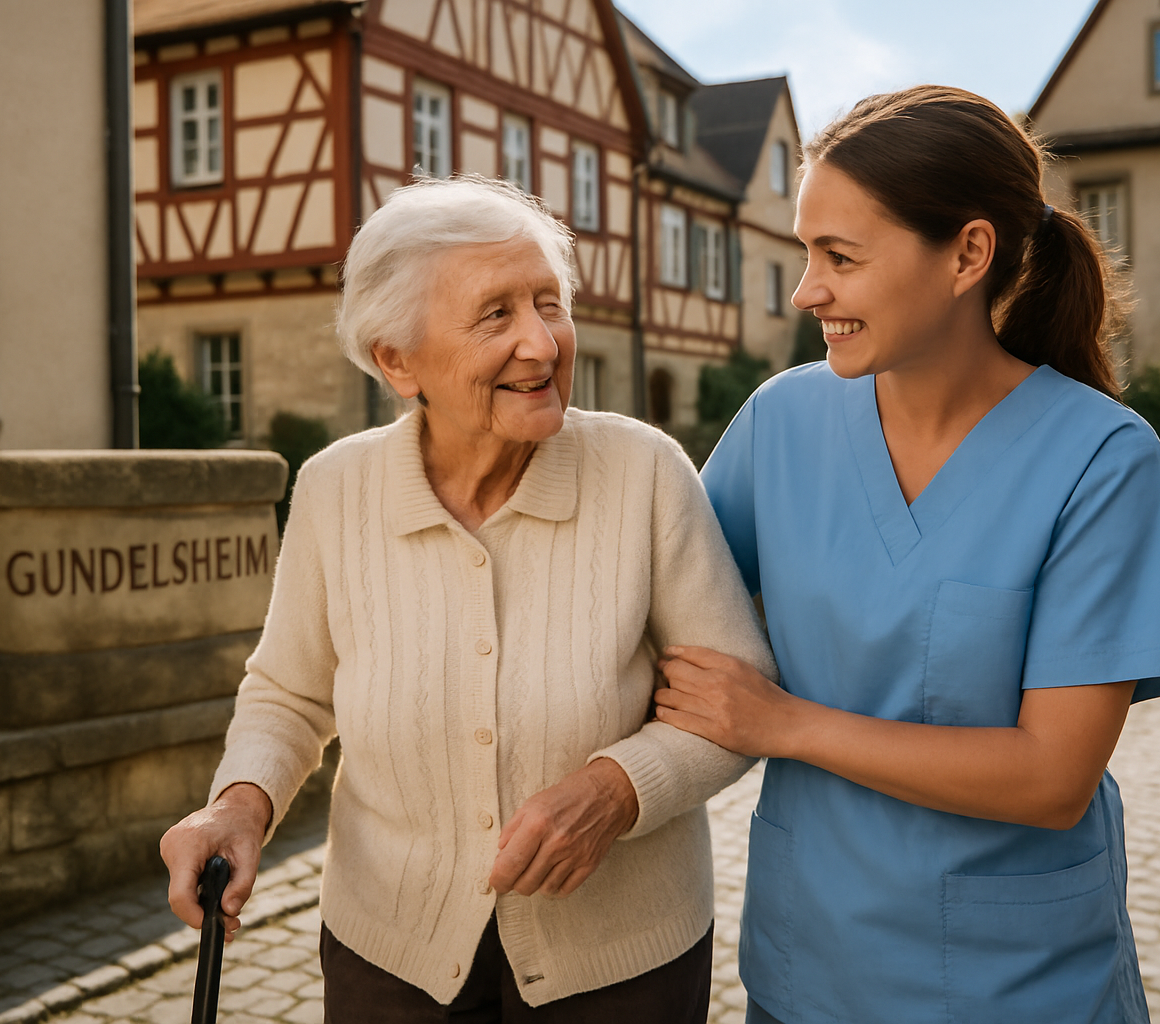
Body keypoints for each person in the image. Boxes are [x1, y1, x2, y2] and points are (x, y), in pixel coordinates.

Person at [159, 174, 776, 1023]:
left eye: (548, 303)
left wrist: (616, 790)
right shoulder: (336, 489)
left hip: (620, 964)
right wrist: (240, 803)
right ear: (396, 359)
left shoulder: (644, 474)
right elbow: (290, 692)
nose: (541, 342)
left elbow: (733, 704)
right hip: (391, 952)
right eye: (496, 314)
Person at [653, 85, 1160, 1024]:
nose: (805, 289)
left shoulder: (1104, 461)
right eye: (804, 252)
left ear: (968, 254)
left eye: (840, 257)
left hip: (1017, 986)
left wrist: (785, 724)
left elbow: (1051, 778)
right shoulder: (780, 422)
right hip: (805, 971)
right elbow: (654, 616)